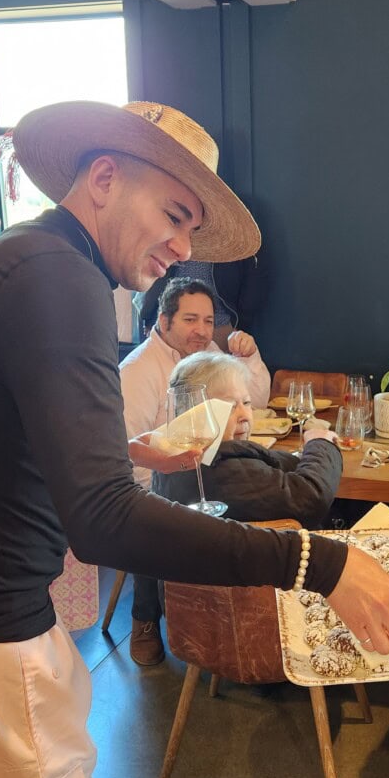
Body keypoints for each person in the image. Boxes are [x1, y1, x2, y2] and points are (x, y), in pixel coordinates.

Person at [0, 100, 389, 778]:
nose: (180, 247)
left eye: (191, 228)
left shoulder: (25, 259)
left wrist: (123, 446)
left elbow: (4, 431)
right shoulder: (58, 277)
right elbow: (102, 520)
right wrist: (318, 563)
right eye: (174, 214)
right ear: (104, 176)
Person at [119, 276, 271, 664]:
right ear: (164, 320)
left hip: (205, 471)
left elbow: (256, 397)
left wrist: (249, 356)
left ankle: (238, 620)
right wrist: (166, 483)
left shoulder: (208, 355)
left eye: (207, 320)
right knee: (158, 518)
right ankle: (145, 620)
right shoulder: (137, 371)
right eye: (191, 320)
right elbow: (126, 453)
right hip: (150, 482)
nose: (202, 330)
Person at [153, 350, 342, 526]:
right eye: (230, 406)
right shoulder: (224, 471)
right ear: (194, 413)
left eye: (246, 402)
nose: (245, 414)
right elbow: (310, 497)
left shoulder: (168, 454)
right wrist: (320, 443)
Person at [136, 252, 266, 351]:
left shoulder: (231, 242)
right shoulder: (173, 237)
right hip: (173, 324)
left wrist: (240, 326)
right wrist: (149, 317)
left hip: (219, 325)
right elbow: (151, 278)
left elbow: (250, 287)